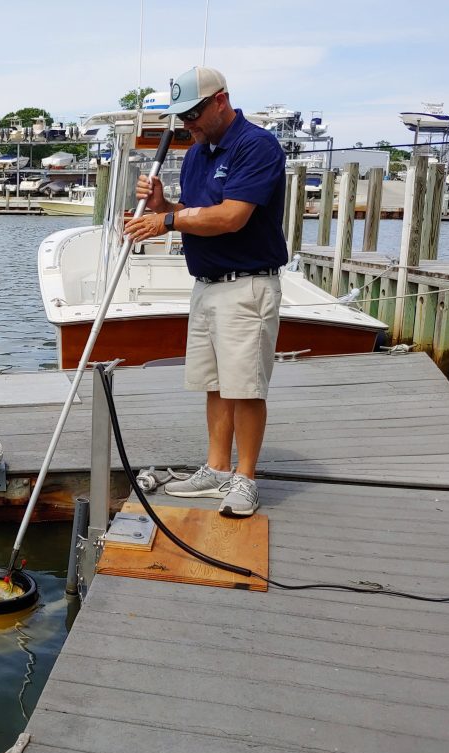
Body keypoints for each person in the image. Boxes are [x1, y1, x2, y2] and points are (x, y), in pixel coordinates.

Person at [123, 66, 287, 517]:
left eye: (193, 112)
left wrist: (168, 221)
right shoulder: (197, 153)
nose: (187, 123)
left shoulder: (257, 146)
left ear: (221, 100)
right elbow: (195, 213)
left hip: (247, 284)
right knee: (214, 384)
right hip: (208, 285)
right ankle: (216, 468)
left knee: (246, 387)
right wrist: (163, 207)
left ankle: (246, 477)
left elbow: (232, 216)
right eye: (181, 116)